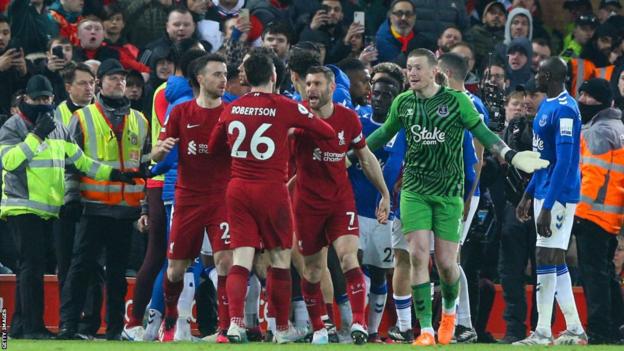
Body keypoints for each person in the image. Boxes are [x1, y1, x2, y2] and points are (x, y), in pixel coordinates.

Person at [362, 48, 548, 346]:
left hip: (449, 193)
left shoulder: (457, 101)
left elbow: (483, 134)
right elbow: (382, 135)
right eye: (408, 68)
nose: (411, 73)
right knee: (418, 255)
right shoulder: (404, 103)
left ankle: (449, 313)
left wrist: (511, 155)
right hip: (414, 191)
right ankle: (424, 330)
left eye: (417, 68)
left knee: (448, 264)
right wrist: (347, 154)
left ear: (435, 70)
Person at [207, 51, 335, 344]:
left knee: (241, 256)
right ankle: (280, 328)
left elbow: (215, 147)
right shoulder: (285, 106)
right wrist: (292, 131)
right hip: (271, 189)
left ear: (246, 77)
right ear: (274, 76)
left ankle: (236, 325)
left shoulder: (232, 108)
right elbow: (326, 132)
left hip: (238, 188)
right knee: (279, 258)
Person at [0, 74, 134, 339]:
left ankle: (18, 325)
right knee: (32, 266)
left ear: (53, 98)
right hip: (21, 207)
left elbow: (81, 162)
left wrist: (114, 174)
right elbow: (10, 162)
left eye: (47, 98)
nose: (42, 103)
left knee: (31, 266)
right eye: (37, 98)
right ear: (26, 98)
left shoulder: (58, 127)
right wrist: (36, 136)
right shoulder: (13, 126)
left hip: (48, 210)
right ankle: (32, 328)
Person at [292, 66, 390, 344]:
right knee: (312, 270)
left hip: (339, 200)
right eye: (308, 83)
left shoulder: (347, 118)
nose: (311, 89)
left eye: (317, 84)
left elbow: (366, 157)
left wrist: (384, 192)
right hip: (307, 204)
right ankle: (320, 328)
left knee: (349, 257)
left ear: (332, 87)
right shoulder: (296, 116)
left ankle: (358, 323)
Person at [58, 59, 150, 341]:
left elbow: (145, 166)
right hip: (92, 206)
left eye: (122, 78)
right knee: (81, 267)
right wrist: (72, 196)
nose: (119, 82)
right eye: (113, 78)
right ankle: (68, 325)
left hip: (126, 210)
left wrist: (144, 205)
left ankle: (114, 329)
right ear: (100, 82)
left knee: (118, 274)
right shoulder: (83, 117)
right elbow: (71, 161)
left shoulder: (140, 120)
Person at [146, 53, 234, 343]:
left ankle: (224, 328)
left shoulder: (232, 111)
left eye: (224, 74)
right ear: (200, 78)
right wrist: (161, 149)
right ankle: (170, 317)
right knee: (175, 269)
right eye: (216, 74)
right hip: (187, 199)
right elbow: (157, 153)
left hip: (222, 198)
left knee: (224, 262)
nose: (223, 80)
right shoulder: (181, 112)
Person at [515, 57, 587, 345]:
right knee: (554, 258)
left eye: (539, 72)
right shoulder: (546, 106)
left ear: (549, 75)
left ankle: (543, 331)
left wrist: (547, 205)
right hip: (543, 189)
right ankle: (574, 327)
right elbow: (544, 160)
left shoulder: (566, 110)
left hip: (559, 194)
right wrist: (529, 193)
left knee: (545, 256)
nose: (536, 76)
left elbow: (565, 163)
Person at [438, 52, 491, 344]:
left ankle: (463, 323)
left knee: (451, 257)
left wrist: (468, 197)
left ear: (444, 72)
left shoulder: (470, 104)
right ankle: (462, 322)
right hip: (444, 190)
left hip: (462, 192)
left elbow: (478, 156)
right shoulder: (443, 100)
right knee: (449, 258)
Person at [348, 75, 406, 343]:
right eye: (378, 93)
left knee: (380, 271)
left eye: (388, 94)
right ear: (371, 94)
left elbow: (397, 165)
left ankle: (372, 332)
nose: (381, 99)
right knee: (356, 267)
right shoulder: (358, 121)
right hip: (356, 206)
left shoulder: (402, 128)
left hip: (386, 212)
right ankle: (356, 326)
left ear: (397, 98)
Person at [574, 78, 624, 344]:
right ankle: (618, 325)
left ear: (601, 100)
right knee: (606, 274)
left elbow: (593, 176)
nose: (582, 100)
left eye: (587, 96)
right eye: (580, 94)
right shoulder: (619, 127)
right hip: (613, 213)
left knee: (594, 276)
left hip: (594, 213)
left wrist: (580, 212)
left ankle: (599, 330)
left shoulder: (596, 132)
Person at [375, 0, 434, 65]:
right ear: (390, 16)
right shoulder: (377, 45)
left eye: (408, 14)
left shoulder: (425, 43)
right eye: (399, 14)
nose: (403, 18)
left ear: (414, 17)